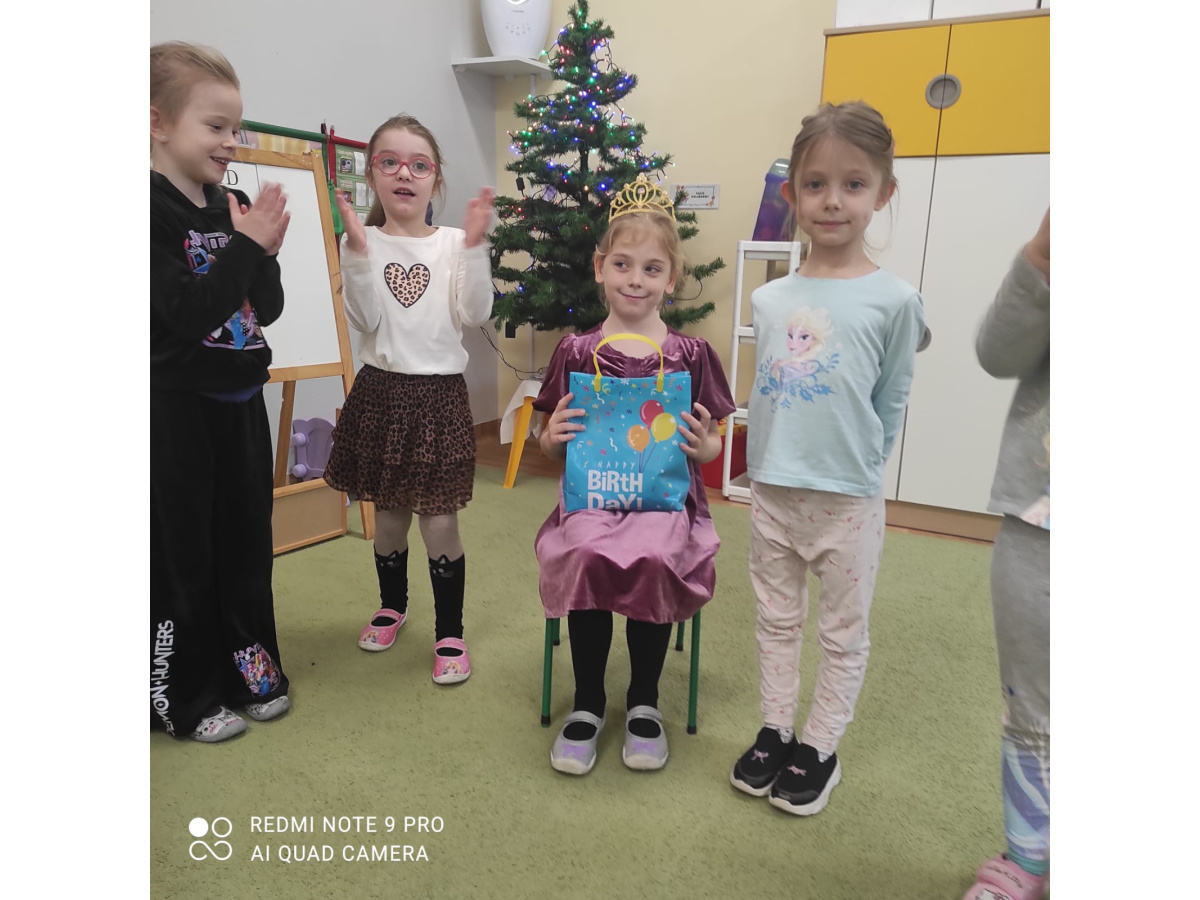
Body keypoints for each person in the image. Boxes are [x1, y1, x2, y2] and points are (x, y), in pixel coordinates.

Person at [729, 101, 927, 814]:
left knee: (843, 631)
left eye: (853, 184)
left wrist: (864, 464)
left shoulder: (896, 300)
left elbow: (892, 395)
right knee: (776, 619)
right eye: (816, 184)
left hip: (847, 498)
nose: (833, 200)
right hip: (774, 490)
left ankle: (819, 746)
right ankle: (776, 730)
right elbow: (769, 391)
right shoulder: (772, 298)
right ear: (793, 195)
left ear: (883, 193)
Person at [534, 175, 736, 775]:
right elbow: (550, 445)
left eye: (652, 269)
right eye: (622, 264)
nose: (635, 280)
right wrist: (550, 439)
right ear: (600, 268)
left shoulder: (690, 356)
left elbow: (713, 442)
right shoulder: (576, 352)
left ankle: (644, 699)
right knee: (584, 551)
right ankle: (588, 702)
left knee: (654, 555)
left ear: (671, 279)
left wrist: (704, 447)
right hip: (593, 501)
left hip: (664, 502)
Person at [150, 41, 293, 742]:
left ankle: (249, 666)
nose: (231, 141)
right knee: (185, 553)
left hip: (241, 403)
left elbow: (267, 308)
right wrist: (245, 248)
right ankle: (181, 692)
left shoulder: (227, 203)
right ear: (156, 122)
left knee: (245, 542)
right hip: (175, 407)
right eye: (215, 126)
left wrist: (261, 251)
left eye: (236, 127)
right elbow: (185, 313)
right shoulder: (144, 211)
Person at [324, 114, 494, 684]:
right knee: (389, 517)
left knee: (439, 521)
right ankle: (392, 605)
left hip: (439, 398)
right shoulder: (362, 242)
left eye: (419, 165)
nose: (405, 173)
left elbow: (476, 312)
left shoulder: (453, 244)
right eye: (390, 162)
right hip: (381, 393)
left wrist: (476, 248)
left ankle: (450, 631)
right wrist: (356, 251)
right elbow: (364, 318)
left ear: (435, 180)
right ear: (373, 174)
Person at [961, 209, 1050, 900]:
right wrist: (1043, 259)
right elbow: (997, 353)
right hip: (1039, 516)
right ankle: (1028, 856)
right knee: (1031, 704)